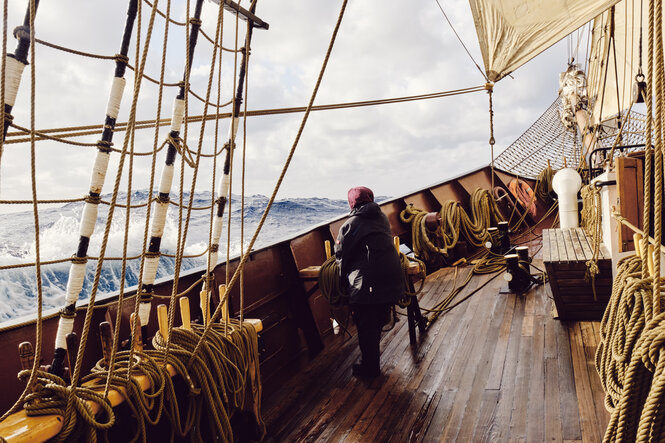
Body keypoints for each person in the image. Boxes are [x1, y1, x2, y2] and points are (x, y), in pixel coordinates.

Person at [335, 186, 404, 378]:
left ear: (352, 203)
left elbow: (341, 257)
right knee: (376, 322)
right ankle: (371, 362)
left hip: (368, 287)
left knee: (366, 327)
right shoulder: (381, 218)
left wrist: (342, 285)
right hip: (392, 281)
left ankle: (370, 369)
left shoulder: (349, 225)